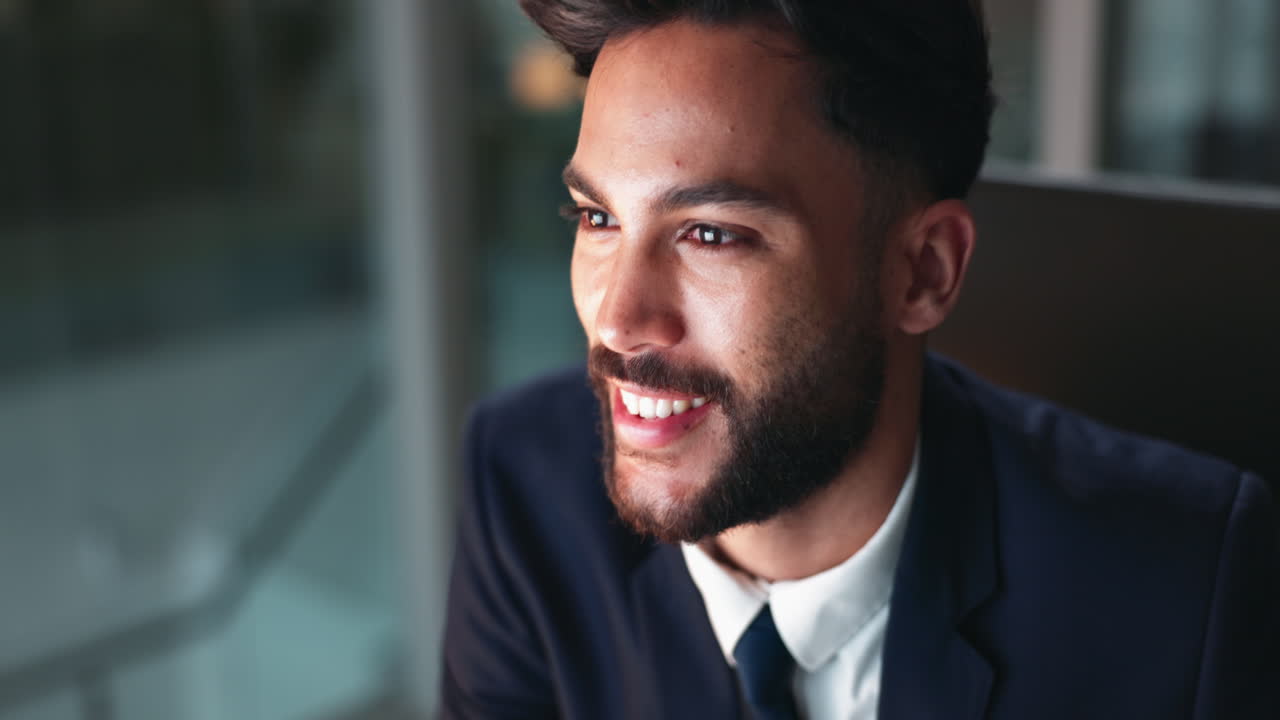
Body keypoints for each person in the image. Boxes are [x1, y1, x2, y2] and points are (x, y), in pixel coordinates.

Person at [440, 1, 1280, 718]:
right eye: (598, 219)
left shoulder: (1182, 590)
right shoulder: (521, 484)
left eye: (710, 234)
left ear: (922, 271)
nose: (618, 321)